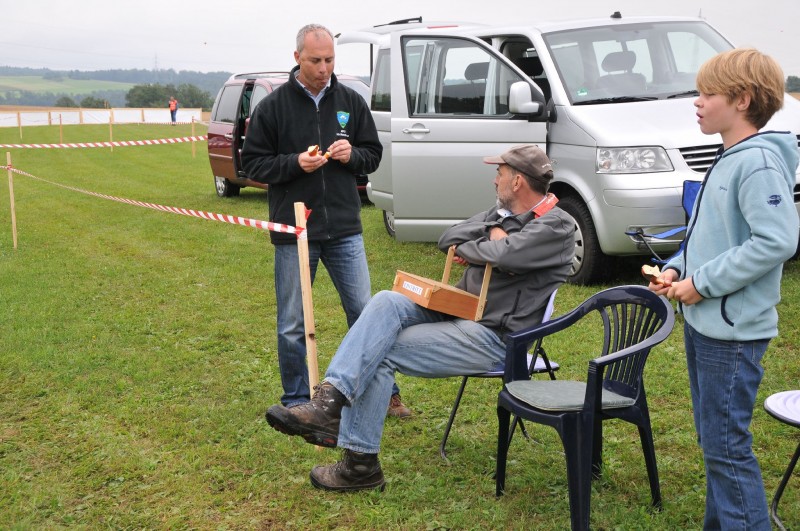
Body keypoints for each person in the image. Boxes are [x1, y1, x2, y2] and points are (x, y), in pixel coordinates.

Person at [265, 144, 576, 491]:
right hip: (460, 310)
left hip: (496, 338)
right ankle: (330, 403)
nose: (494, 180)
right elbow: (449, 238)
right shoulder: (499, 214)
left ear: (517, 182)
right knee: (386, 301)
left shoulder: (557, 225)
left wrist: (486, 246)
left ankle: (359, 465)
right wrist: (491, 233)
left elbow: (505, 255)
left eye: (499, 174)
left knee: (380, 351)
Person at [647, 49, 799, 530]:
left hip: (731, 333)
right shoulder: (730, 156)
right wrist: (677, 269)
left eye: (707, 93)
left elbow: (777, 240)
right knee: (716, 444)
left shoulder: (758, 163)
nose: (697, 102)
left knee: (727, 448)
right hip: (707, 323)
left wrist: (703, 283)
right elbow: (710, 236)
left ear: (742, 100)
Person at [241, 24, 411, 418]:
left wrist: (353, 155)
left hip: (344, 229)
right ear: (297, 57)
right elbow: (252, 163)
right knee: (292, 321)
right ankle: (297, 400)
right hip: (296, 230)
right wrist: (294, 163)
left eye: (329, 60)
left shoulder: (350, 100)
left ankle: (384, 394)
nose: (323, 68)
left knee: (365, 315)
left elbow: (372, 154)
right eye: (315, 60)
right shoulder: (273, 107)